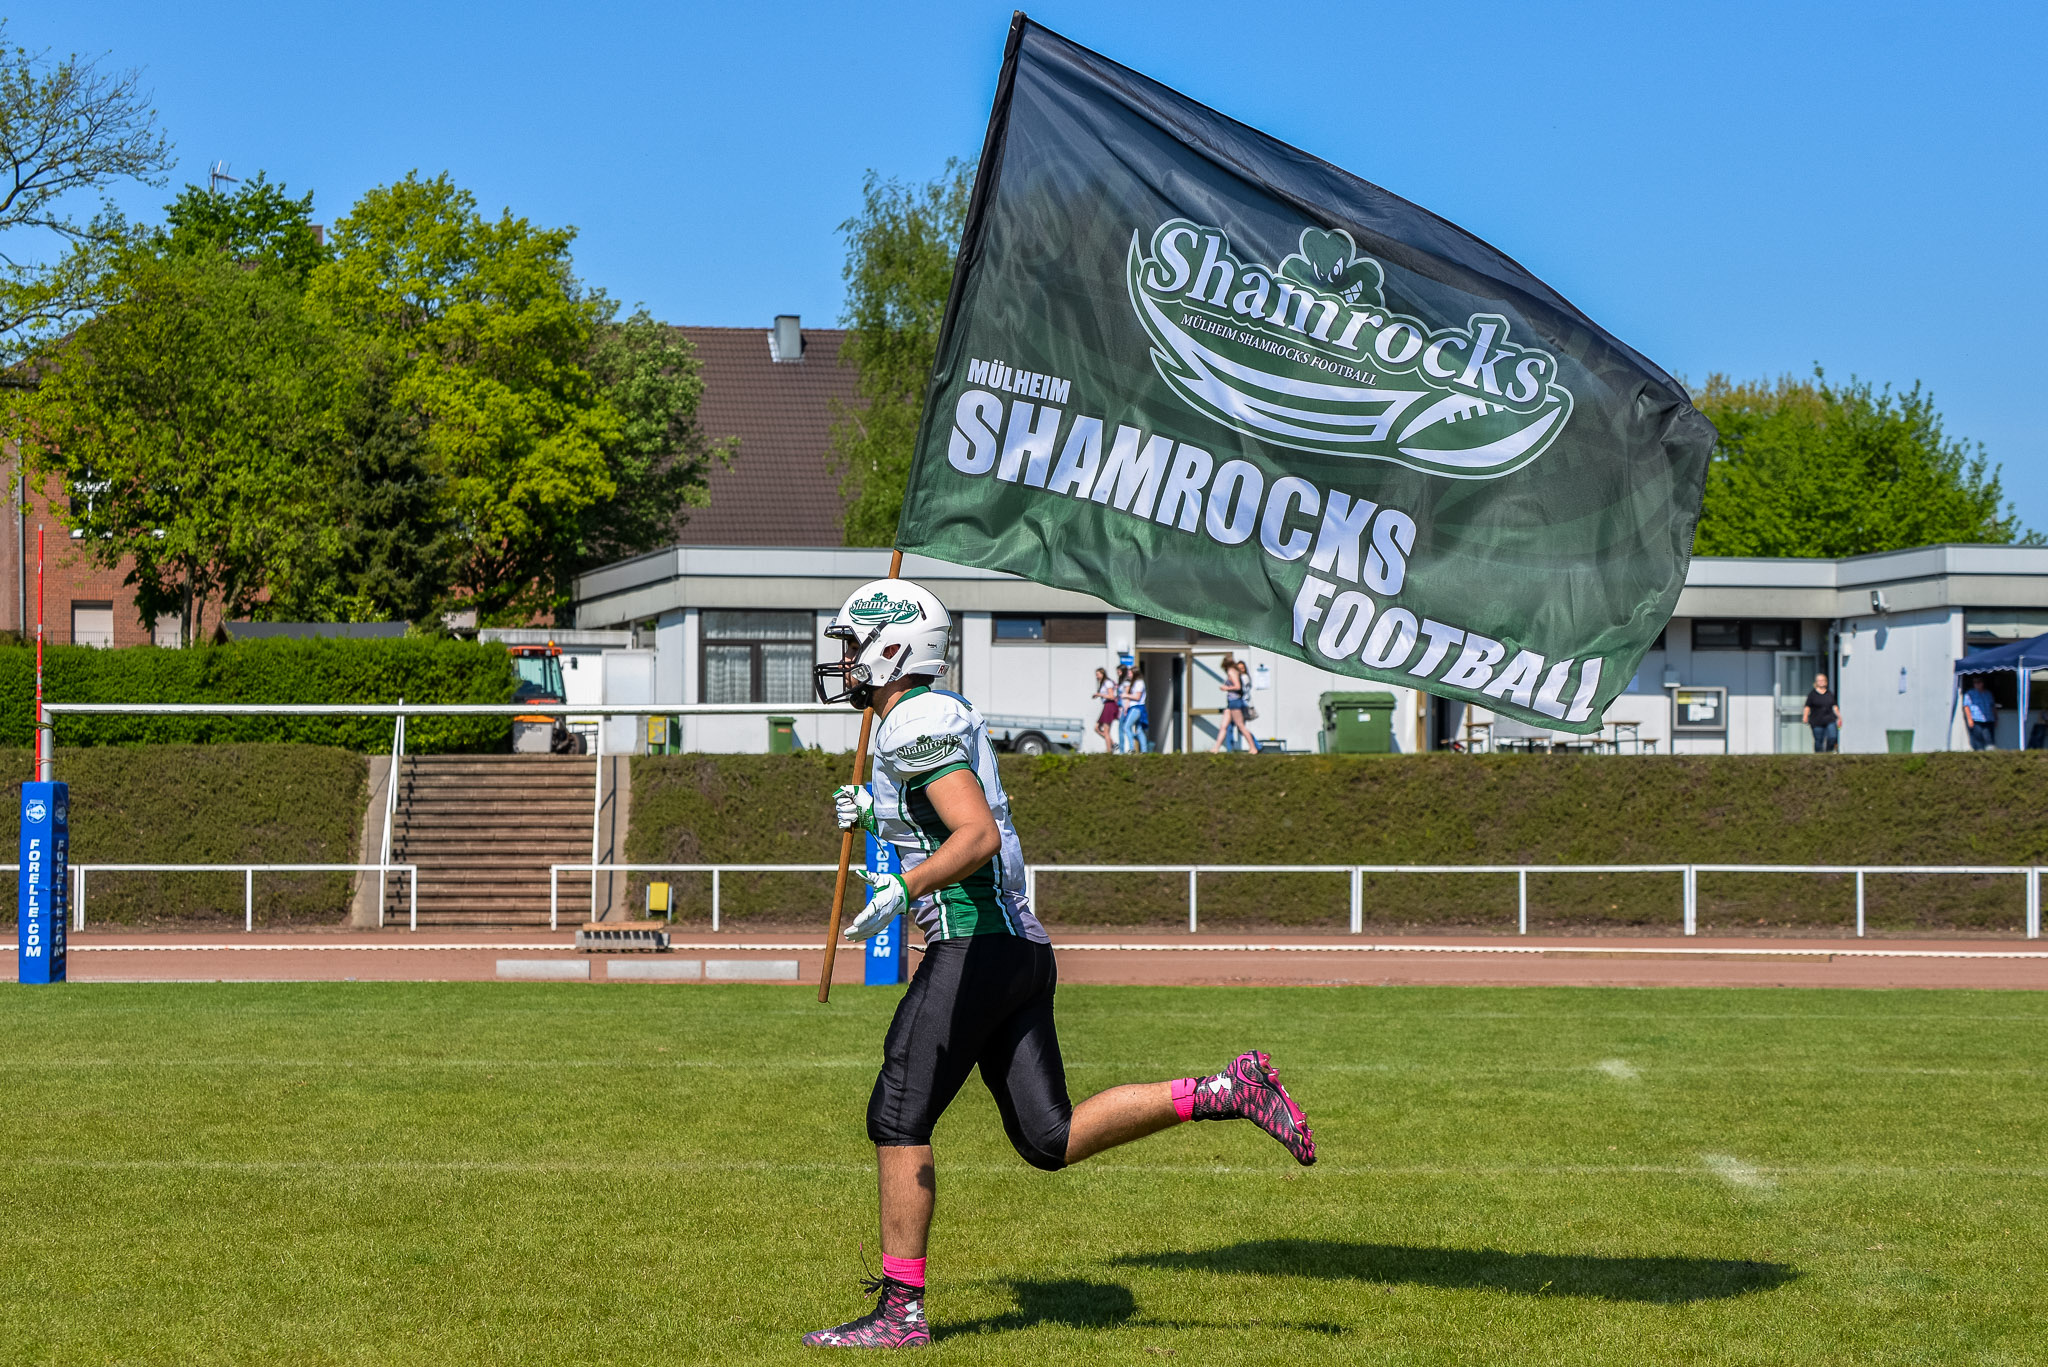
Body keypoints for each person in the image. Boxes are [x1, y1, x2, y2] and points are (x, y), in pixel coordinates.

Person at [807, 578, 1316, 1349]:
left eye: (852, 646)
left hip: (972, 941)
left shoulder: (911, 721)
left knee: (897, 1114)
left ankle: (901, 1313)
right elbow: (954, 811)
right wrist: (881, 811)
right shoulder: (923, 720)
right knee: (1049, 1137)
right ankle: (1225, 1088)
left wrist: (904, 881)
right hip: (1018, 948)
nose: (844, 663)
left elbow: (973, 833)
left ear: (890, 646)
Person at [1211, 654, 1261, 753]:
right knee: (1223, 726)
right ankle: (1215, 748)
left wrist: (1226, 688)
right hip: (1231, 703)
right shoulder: (1233, 671)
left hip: (1235, 702)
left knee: (1240, 726)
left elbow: (1237, 687)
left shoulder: (1231, 671)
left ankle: (1253, 747)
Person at [1802, 672, 1842, 753]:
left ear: (1826, 682)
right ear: (1816, 683)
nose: (1821, 682)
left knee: (1832, 737)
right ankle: (1818, 756)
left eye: (1822, 680)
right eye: (1819, 681)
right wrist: (1805, 716)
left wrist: (1839, 716)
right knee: (1818, 741)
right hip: (1816, 721)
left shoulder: (1829, 694)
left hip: (1829, 719)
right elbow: (1807, 706)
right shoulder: (1812, 694)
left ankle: (1828, 752)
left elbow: (1834, 706)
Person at [1962, 674, 1999, 750]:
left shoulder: (1988, 694)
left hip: (1988, 719)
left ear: (1982, 683)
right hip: (1976, 720)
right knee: (1978, 740)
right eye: (1975, 682)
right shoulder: (1970, 694)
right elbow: (1966, 707)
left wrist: (1996, 718)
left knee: (1989, 740)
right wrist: (1969, 719)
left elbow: (1992, 706)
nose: (1977, 684)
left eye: (1979, 682)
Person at [1121, 663, 1151, 753]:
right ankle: (1144, 750)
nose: (1128, 675)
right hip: (1133, 708)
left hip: (1137, 708)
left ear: (1135, 673)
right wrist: (1126, 707)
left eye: (1130, 673)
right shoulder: (1133, 683)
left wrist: (1126, 695)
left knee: (1126, 727)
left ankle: (1132, 748)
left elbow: (1137, 697)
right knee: (1139, 730)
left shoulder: (1139, 683)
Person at [1090, 666, 1119, 753]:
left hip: (1110, 705)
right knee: (1096, 728)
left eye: (1098, 674)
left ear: (1102, 674)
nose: (1096, 676)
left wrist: (1100, 695)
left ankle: (1109, 751)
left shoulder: (1107, 682)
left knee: (1106, 731)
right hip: (1106, 705)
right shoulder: (1103, 683)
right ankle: (1113, 744)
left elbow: (1111, 696)